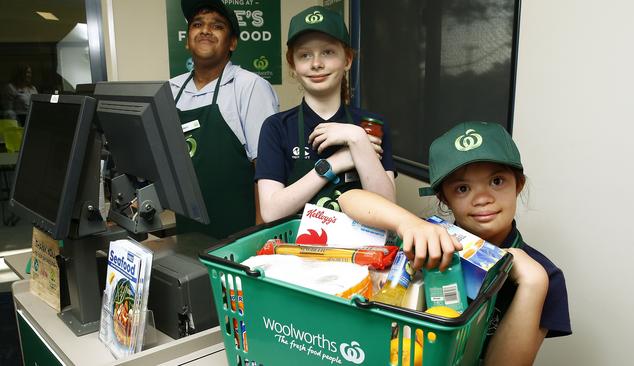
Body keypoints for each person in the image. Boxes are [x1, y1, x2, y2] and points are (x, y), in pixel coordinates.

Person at [338, 121, 571, 365]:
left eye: (497, 181)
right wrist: (408, 224)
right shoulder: (429, 237)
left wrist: (533, 283)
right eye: (462, 188)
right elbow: (349, 199)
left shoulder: (546, 275)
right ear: (444, 198)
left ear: (518, 185)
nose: (482, 198)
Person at [255, 6, 396, 222]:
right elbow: (271, 212)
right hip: (295, 251)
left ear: (347, 59)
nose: (316, 64)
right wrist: (335, 163)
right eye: (304, 55)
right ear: (293, 65)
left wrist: (357, 139)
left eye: (328, 52)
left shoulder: (371, 126)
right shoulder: (276, 127)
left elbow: (387, 210)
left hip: (362, 252)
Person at [170, 0, 279, 238]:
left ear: (232, 43)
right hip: (188, 228)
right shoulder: (171, 90)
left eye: (217, 26)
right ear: (188, 41)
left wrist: (261, 236)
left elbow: (266, 169)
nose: (206, 30)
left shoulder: (250, 87)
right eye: (197, 24)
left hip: (239, 233)